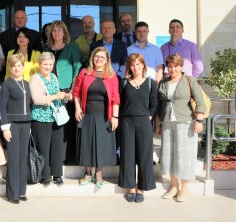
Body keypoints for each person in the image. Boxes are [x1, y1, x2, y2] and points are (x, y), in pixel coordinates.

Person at [154, 53, 205, 202]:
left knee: (184, 156)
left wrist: (199, 120)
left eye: (175, 66)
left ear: (181, 67)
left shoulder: (189, 80)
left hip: (186, 122)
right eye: (169, 66)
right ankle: (174, 186)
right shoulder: (163, 83)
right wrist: (157, 123)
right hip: (167, 123)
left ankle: (185, 188)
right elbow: (159, 105)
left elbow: (200, 101)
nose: (172, 69)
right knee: (169, 155)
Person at [73, 47, 120, 188]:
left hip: (104, 115)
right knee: (86, 143)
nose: (99, 59)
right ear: (92, 58)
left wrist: (115, 116)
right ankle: (87, 173)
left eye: (102, 57)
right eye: (96, 56)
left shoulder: (111, 76)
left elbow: (115, 98)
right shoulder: (85, 73)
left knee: (101, 145)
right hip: (86, 113)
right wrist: (77, 108)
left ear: (106, 60)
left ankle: (99, 174)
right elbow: (76, 93)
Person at [118, 53, 157, 203]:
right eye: (133, 65)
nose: (136, 67)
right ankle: (130, 188)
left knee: (144, 155)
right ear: (129, 67)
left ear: (143, 66)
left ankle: (141, 188)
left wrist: (148, 117)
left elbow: (154, 103)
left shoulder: (150, 83)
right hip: (127, 121)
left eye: (138, 64)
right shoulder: (124, 83)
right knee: (127, 155)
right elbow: (120, 103)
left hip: (144, 122)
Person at [29, 52, 70, 186]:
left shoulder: (53, 77)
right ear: (40, 64)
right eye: (45, 64)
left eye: (50, 64)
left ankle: (57, 174)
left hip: (55, 117)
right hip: (41, 118)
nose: (48, 67)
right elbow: (36, 99)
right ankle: (44, 176)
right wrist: (55, 96)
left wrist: (64, 97)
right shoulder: (35, 78)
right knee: (43, 148)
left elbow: (57, 95)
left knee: (57, 147)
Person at [44, 20, 82, 161]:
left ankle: (69, 158)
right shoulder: (46, 48)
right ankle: (54, 158)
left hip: (66, 91)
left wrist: (72, 90)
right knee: (53, 126)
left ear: (64, 32)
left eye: (59, 30)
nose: (56, 33)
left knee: (67, 126)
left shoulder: (72, 46)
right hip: (51, 93)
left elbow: (77, 70)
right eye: (54, 30)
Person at [0, 54, 32, 204]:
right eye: (14, 66)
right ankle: (12, 194)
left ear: (23, 66)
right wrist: (5, 128)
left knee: (22, 159)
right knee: (13, 159)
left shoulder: (26, 83)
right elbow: (2, 107)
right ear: (10, 68)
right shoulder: (7, 84)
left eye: (19, 65)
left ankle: (21, 190)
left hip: (26, 124)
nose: (16, 68)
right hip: (12, 125)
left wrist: (30, 125)